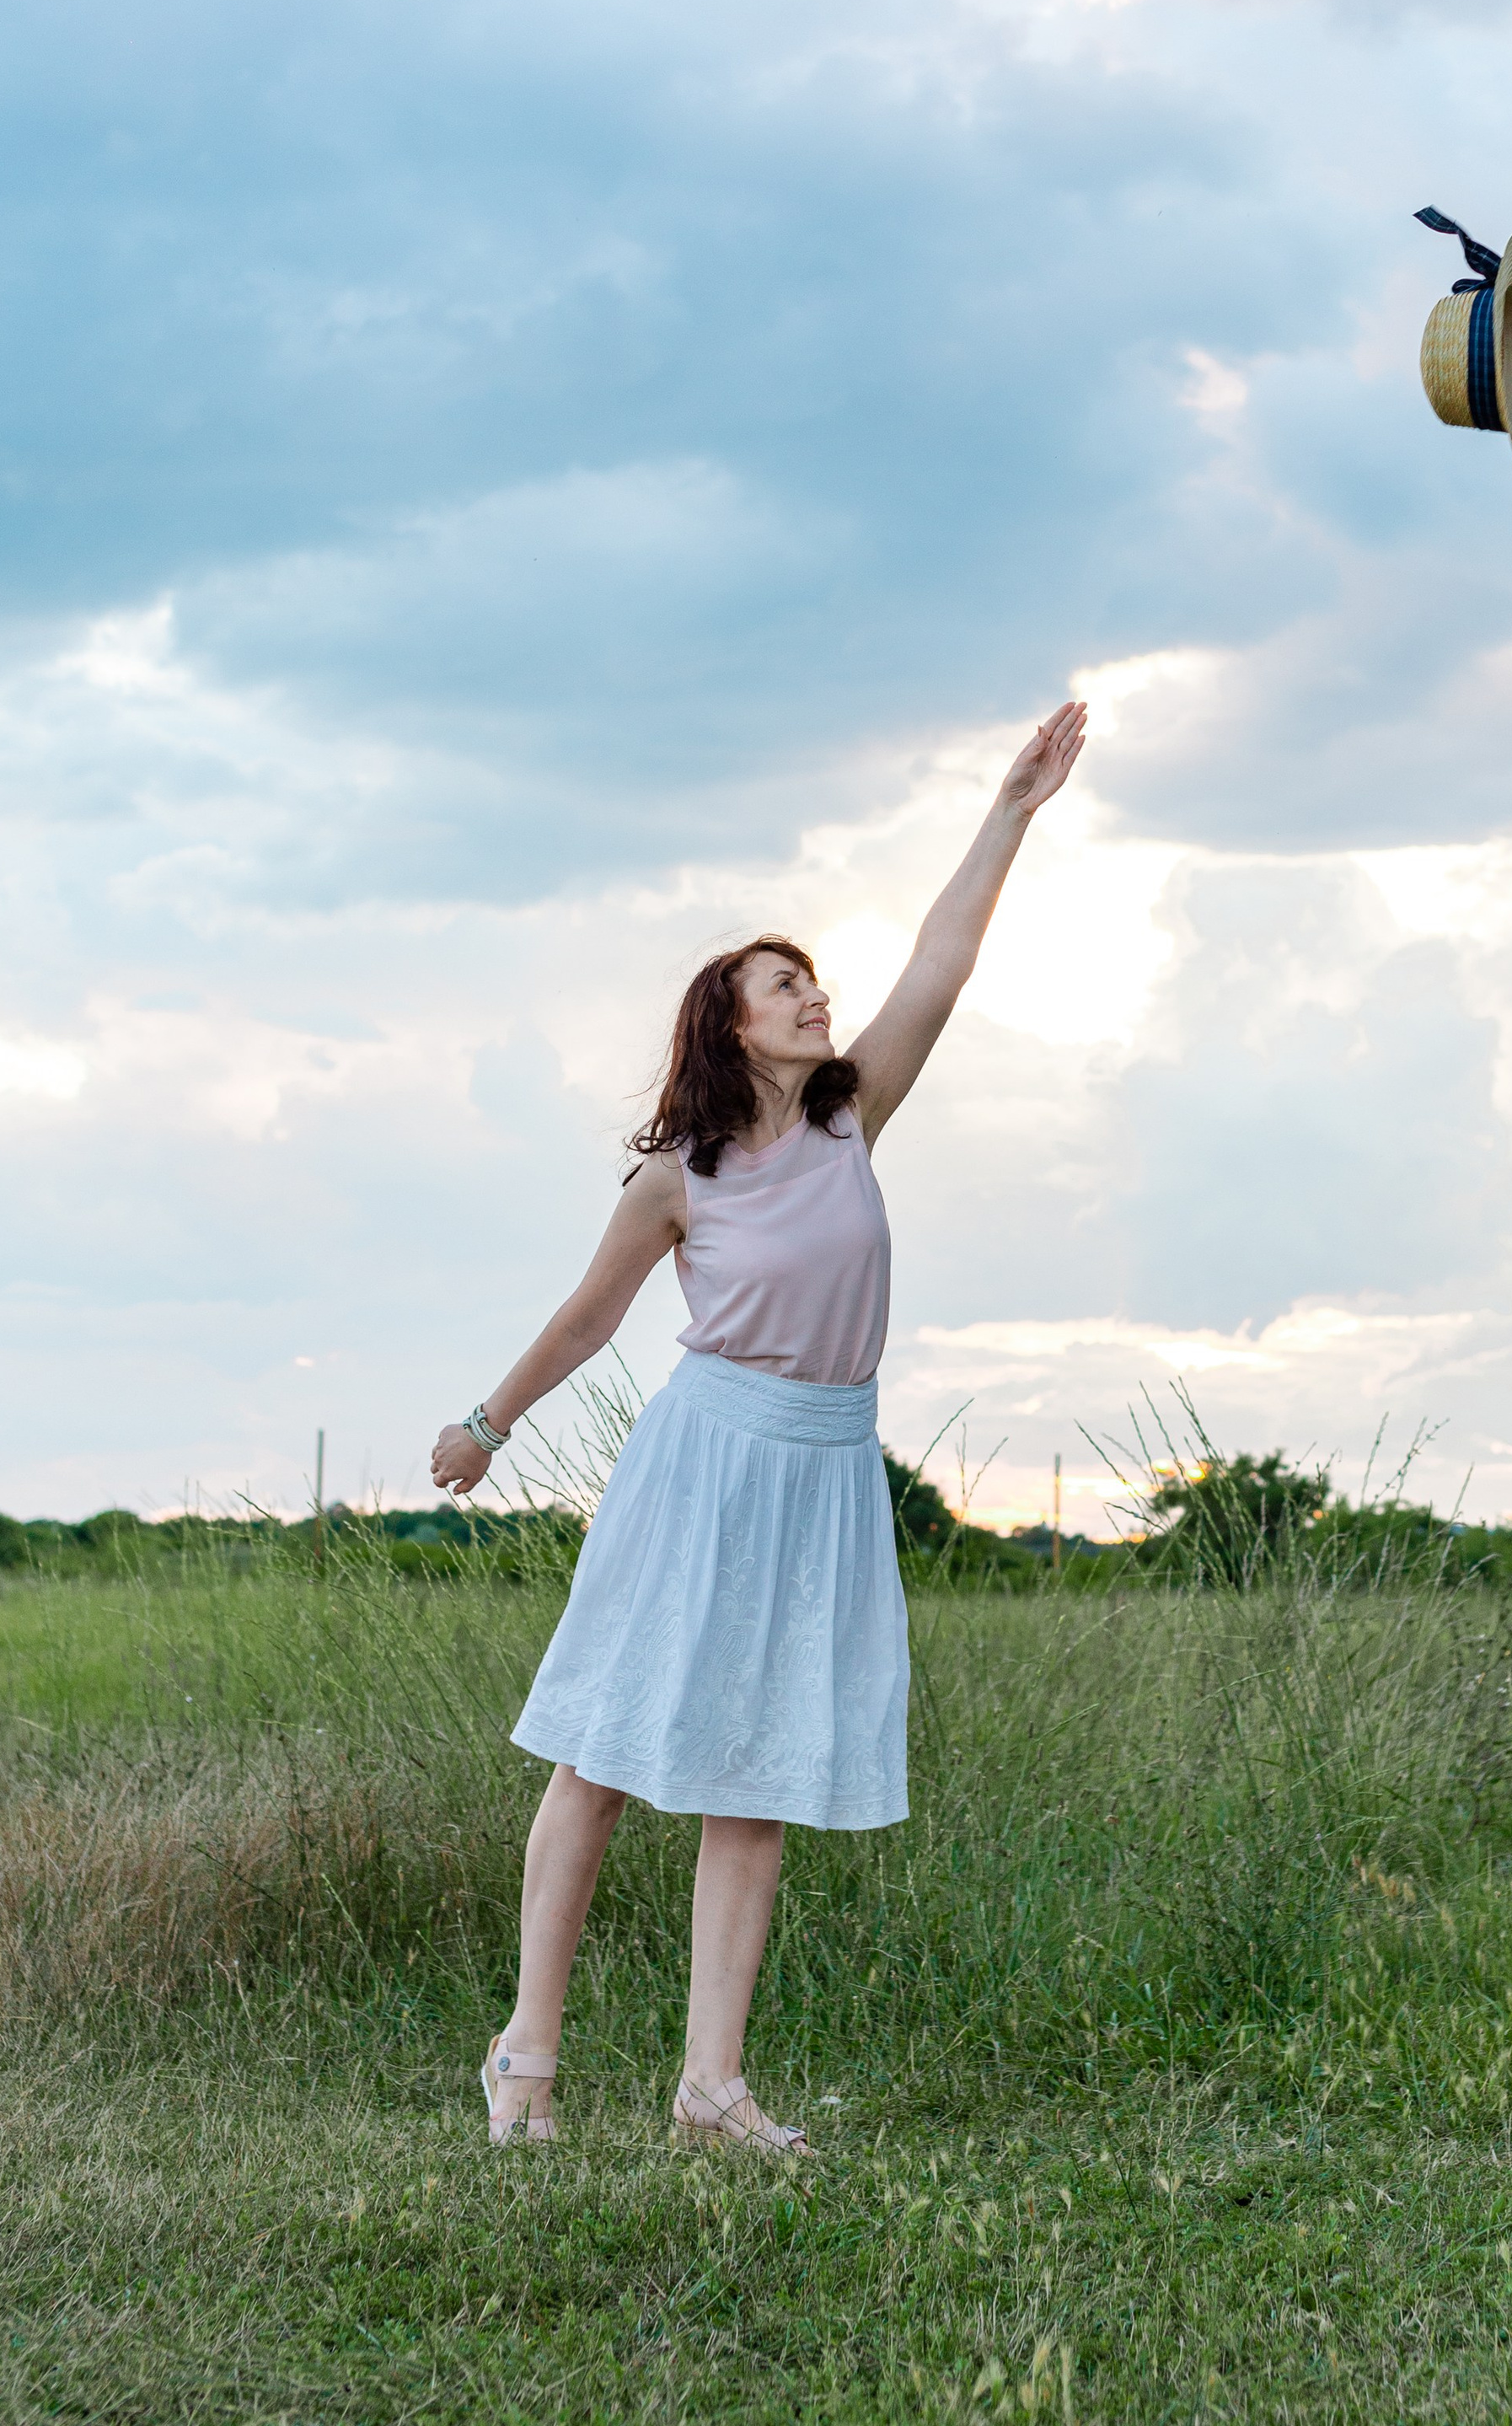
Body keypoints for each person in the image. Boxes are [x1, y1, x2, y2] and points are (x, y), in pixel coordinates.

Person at [430, 700, 1087, 2156]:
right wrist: (487, 1421)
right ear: (730, 1026)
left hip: (826, 1469)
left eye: (812, 983)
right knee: (599, 1758)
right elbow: (590, 1318)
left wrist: (1011, 811)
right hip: (704, 1465)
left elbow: (941, 962)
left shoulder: (858, 1119)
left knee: (762, 1776)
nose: (814, 999)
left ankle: (709, 2091)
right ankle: (525, 2057)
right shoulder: (682, 1177)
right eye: (783, 988)